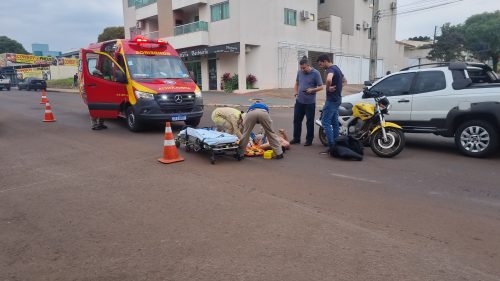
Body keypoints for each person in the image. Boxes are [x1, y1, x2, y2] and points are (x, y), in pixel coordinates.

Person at [291, 56, 324, 146]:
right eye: (301, 68)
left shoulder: (316, 73)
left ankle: (309, 140)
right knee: (296, 120)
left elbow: (321, 87)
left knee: (309, 122)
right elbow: (297, 83)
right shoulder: (299, 72)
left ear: (308, 65)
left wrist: (312, 90)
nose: (302, 69)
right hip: (299, 101)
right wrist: (295, 93)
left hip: (310, 103)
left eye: (304, 68)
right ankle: (296, 138)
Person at [317, 54, 344, 152]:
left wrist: (328, 87)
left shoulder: (330, 69)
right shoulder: (337, 68)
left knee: (325, 122)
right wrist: (338, 88)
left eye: (321, 64)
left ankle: (331, 145)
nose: (320, 66)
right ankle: (336, 143)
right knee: (334, 122)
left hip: (331, 100)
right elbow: (345, 81)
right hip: (337, 98)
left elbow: (329, 79)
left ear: (325, 61)